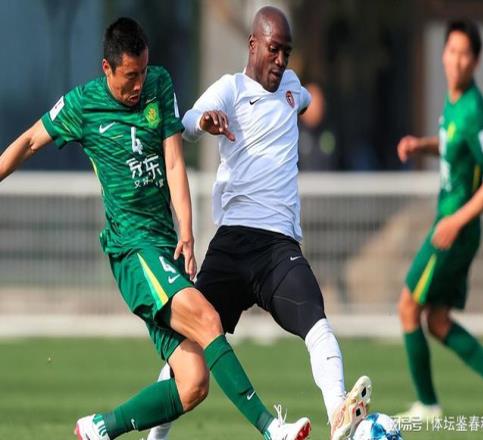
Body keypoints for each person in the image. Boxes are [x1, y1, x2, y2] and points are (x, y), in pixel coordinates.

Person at [0, 17, 312, 440]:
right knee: (208, 318)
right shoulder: (82, 105)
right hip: (133, 249)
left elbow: (174, 161)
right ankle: (271, 428)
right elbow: (28, 142)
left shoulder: (159, 85)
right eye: (130, 76)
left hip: (165, 246)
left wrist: (187, 232)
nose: (138, 84)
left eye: (143, 72)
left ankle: (99, 428)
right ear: (107, 68)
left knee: (193, 383)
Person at [148, 7, 372, 440]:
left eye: (287, 51)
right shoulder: (230, 89)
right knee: (190, 350)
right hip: (232, 245)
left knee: (317, 322)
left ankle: (340, 414)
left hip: (278, 248)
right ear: (253, 45)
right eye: (274, 49)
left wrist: (311, 102)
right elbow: (188, 122)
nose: (281, 60)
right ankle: (155, 437)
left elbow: (306, 101)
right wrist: (205, 121)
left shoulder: (292, 88)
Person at [396, 19, 483, 422]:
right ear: (443, 55)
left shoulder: (474, 111)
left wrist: (456, 221)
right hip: (453, 227)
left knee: (408, 307)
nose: (456, 60)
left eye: (464, 54)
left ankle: (427, 405)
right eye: (451, 51)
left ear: (475, 61)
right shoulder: (455, 102)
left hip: (454, 229)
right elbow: (454, 145)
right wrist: (421, 145)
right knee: (437, 321)